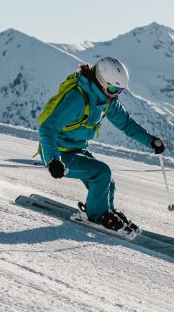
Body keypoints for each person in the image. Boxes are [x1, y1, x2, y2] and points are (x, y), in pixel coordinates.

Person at [37, 56, 165, 232]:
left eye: (120, 91)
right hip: (57, 154)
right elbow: (47, 128)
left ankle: (106, 212)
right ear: (101, 81)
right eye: (113, 89)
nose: (115, 94)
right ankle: (97, 215)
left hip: (76, 149)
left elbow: (126, 124)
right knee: (101, 172)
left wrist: (150, 140)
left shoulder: (105, 100)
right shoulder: (77, 99)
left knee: (107, 183)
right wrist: (53, 160)